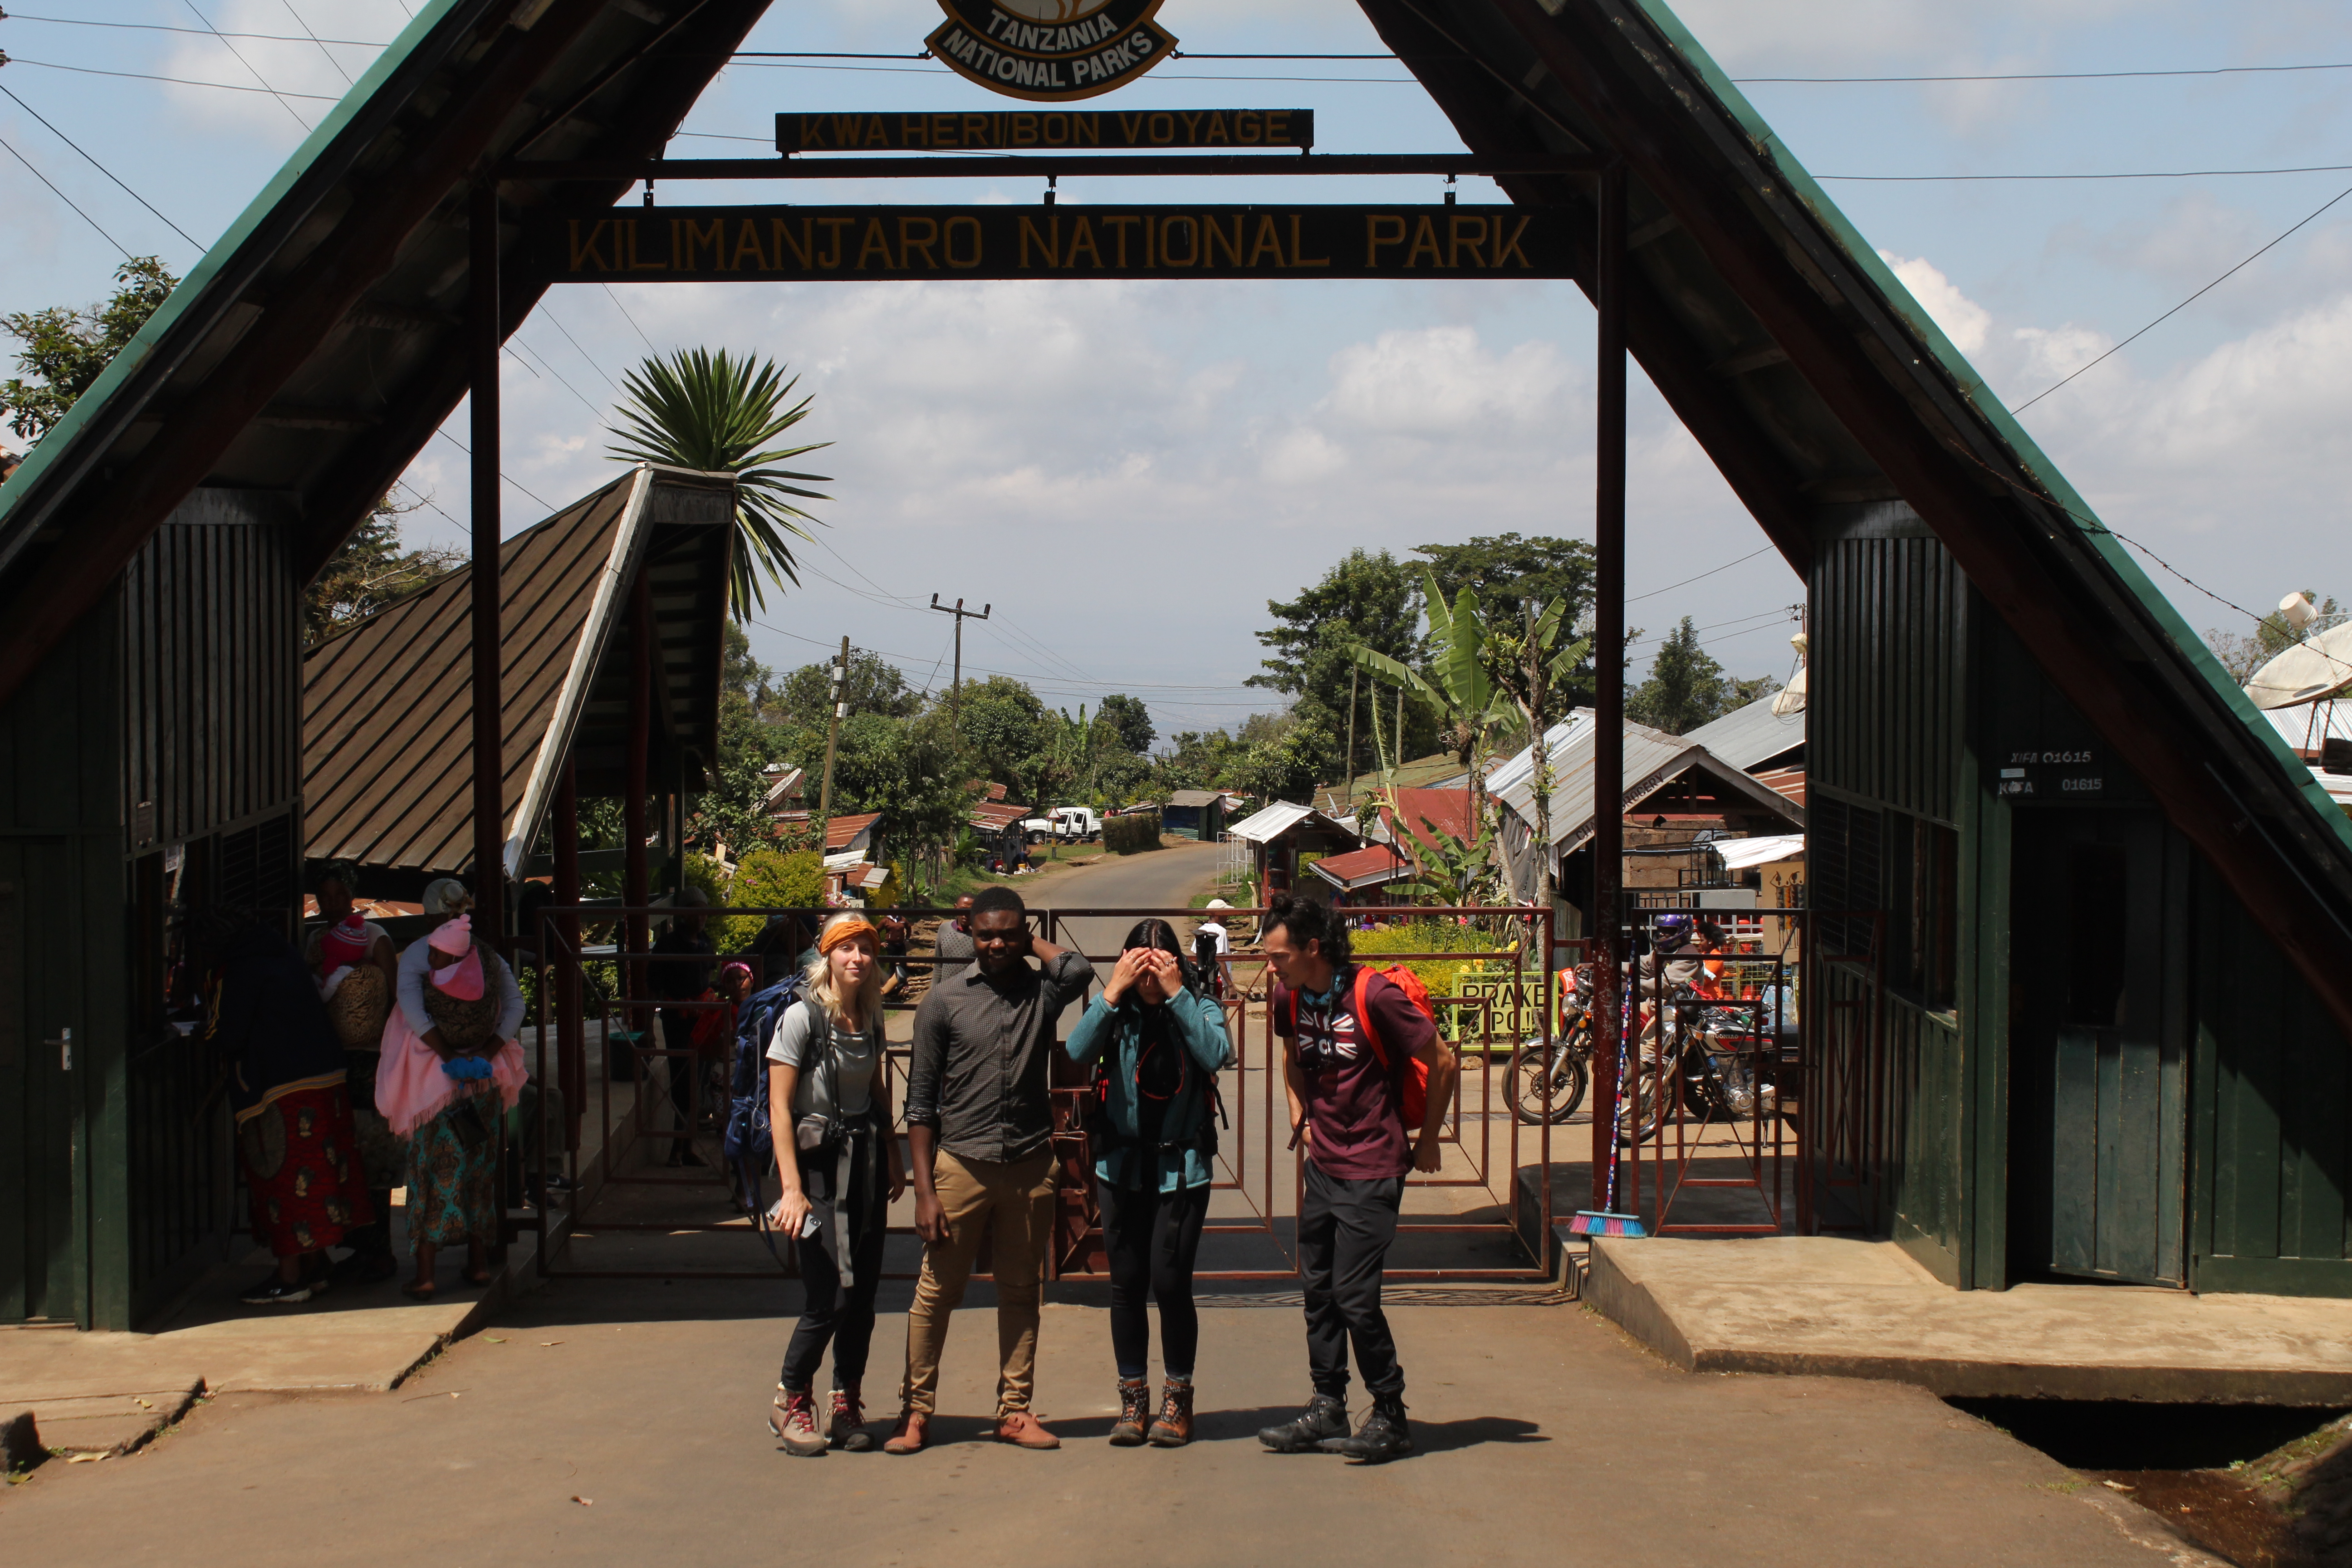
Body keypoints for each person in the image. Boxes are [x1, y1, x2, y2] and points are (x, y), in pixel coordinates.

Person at [889, 886, 1096, 1455]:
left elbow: (1078, 970)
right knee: (937, 1292)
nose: (998, 943)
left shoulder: (1040, 995)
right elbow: (922, 1104)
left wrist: (1030, 940)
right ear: (968, 935)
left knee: (1022, 1291)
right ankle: (916, 1410)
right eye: (987, 934)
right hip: (962, 1164)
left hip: (1030, 1164)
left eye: (1009, 934)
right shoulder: (944, 1003)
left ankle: (1015, 1410)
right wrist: (924, 1191)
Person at [1256, 892, 1455, 1463]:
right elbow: (1293, 1053)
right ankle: (1328, 1406)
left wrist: (1429, 1138)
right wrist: (1299, 1108)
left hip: (1373, 1166)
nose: (1272, 967)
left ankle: (1390, 1413)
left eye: (1279, 957)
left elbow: (1441, 1060)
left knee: (1354, 1296)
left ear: (1313, 948)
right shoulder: (1288, 996)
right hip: (1324, 1166)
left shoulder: (1373, 993)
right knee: (1318, 1289)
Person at [1063, 919, 1231, 1447]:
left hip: (1181, 1170)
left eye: (1161, 962)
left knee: (1171, 1282)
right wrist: (1112, 991)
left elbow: (1217, 1054)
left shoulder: (1198, 1004)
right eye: (1141, 962)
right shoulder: (1116, 1013)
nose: (1151, 974)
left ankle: (1177, 1399)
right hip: (1121, 1168)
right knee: (1126, 1285)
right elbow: (1077, 1051)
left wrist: (1179, 993)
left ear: (1178, 964)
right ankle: (1132, 1400)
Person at [765, 915, 909, 1456]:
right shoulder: (802, 1019)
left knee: (864, 1295)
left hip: (865, 1164)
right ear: (826, 957)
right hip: (817, 1169)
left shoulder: (870, 1017)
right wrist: (793, 1189)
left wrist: (893, 1157)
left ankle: (846, 1400)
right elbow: (780, 1108)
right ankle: (791, 1397)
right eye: (845, 948)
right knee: (827, 1295)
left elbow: (876, 1091)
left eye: (866, 949)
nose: (857, 958)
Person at [194, 906, 377, 1307]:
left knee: (283, 1178)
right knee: (323, 1173)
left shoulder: (239, 970)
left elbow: (226, 1033)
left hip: (281, 1089)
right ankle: (316, 1265)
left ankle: (290, 1276)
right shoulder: (283, 953)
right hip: (325, 1078)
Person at [376, 905, 526, 1299]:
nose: (430, 958)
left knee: (429, 1174)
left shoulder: (425, 972)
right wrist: (487, 1055)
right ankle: (477, 1265)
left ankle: (425, 1275)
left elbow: (412, 1013)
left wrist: (450, 1059)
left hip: (437, 1090)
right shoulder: (489, 966)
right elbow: (516, 1007)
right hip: (485, 1081)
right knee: (478, 1172)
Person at [649, 888, 718, 1166]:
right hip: (677, 1019)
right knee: (682, 1081)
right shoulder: (667, 945)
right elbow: (653, 985)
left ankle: (685, 1147)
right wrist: (647, 1026)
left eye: (704, 911)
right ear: (683, 914)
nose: (701, 918)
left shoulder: (705, 943)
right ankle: (676, 1148)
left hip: (702, 1019)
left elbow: (710, 976)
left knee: (699, 1080)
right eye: (695, 911)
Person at [929, 894, 976, 982]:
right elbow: (938, 965)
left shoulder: (979, 934)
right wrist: (934, 992)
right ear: (955, 908)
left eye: (971, 911)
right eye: (963, 910)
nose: (966, 915)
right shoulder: (944, 929)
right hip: (946, 990)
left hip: (970, 992)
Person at [1192, 900, 1232, 1000]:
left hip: (1205, 979)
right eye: (1225, 913)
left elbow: (1195, 956)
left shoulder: (1202, 929)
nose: (1227, 916)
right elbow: (1220, 959)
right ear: (1218, 914)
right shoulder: (1221, 931)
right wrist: (1230, 985)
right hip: (1219, 979)